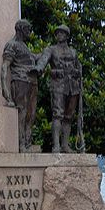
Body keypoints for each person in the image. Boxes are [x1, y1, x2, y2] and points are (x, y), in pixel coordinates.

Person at [36, 24, 82, 153]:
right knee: (57, 115)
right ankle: (56, 145)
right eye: (57, 33)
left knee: (69, 117)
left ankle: (65, 145)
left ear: (67, 36)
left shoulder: (73, 52)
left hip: (73, 87)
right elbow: (42, 63)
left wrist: (77, 72)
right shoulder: (51, 49)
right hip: (58, 86)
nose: (58, 35)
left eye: (61, 33)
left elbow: (78, 68)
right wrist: (40, 70)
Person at [1, 19, 38, 152]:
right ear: (21, 29)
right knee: (22, 113)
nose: (30, 32)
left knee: (31, 114)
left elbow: (34, 58)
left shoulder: (25, 46)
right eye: (28, 29)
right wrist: (5, 90)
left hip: (32, 82)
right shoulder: (12, 45)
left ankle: (28, 143)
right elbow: (5, 67)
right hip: (20, 81)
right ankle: (21, 144)